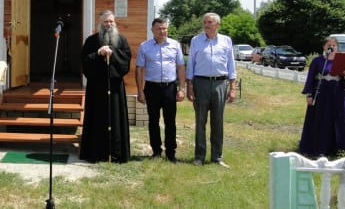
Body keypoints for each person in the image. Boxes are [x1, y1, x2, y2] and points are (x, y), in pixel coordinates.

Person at [80, 10, 131, 163]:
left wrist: (113, 52)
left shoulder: (121, 40)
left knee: (116, 120)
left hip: (115, 88)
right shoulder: (91, 41)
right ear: (100, 23)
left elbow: (126, 61)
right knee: (96, 119)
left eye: (111, 22)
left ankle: (117, 153)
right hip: (97, 88)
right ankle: (96, 153)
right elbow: (85, 61)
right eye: (105, 22)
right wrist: (98, 53)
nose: (108, 24)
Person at [186, 12, 236, 167]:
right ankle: (199, 157)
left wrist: (232, 87)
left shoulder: (226, 41)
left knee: (217, 121)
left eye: (209, 22)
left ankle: (217, 157)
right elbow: (191, 64)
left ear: (217, 24)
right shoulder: (196, 40)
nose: (206, 25)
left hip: (220, 83)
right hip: (200, 83)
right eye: (205, 22)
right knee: (200, 121)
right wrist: (189, 86)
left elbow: (231, 65)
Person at [135, 18, 186, 163]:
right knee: (153, 120)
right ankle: (156, 150)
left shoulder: (175, 45)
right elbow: (139, 69)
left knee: (170, 121)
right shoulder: (144, 46)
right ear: (152, 30)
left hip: (170, 88)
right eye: (159, 29)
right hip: (151, 88)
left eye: (164, 28)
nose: (162, 31)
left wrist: (181, 88)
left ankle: (171, 152)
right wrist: (140, 91)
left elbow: (181, 67)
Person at [299, 36, 345, 157]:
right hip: (320, 96)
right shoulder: (317, 61)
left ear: (337, 47)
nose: (331, 47)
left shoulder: (342, 60)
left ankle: (343, 147)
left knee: (339, 119)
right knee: (320, 121)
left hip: (337, 95)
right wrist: (309, 94)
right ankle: (319, 148)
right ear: (324, 47)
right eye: (328, 45)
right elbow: (310, 79)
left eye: (334, 45)